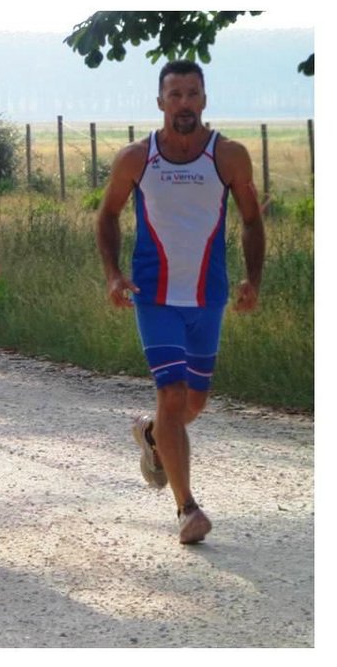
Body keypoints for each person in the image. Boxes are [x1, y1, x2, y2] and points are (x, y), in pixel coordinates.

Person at [97, 60, 265, 545]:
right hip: (154, 296)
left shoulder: (228, 155)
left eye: (192, 93)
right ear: (160, 102)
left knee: (192, 404)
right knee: (171, 394)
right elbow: (107, 215)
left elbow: (251, 220)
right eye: (175, 94)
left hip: (208, 295)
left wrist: (253, 280)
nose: (184, 103)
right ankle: (186, 508)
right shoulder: (137, 157)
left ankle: (152, 434)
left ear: (204, 100)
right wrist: (113, 275)